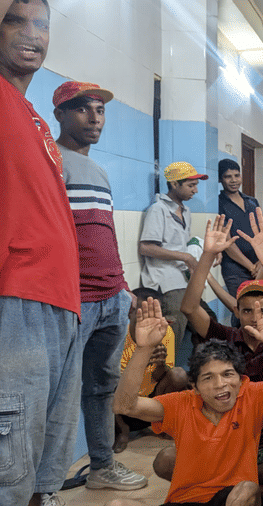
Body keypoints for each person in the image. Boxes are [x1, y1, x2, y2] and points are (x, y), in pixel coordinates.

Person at [0, 2, 83, 505]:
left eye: (43, 25)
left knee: (43, 473)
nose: (32, 34)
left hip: (60, 305)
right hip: (17, 299)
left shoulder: (29, 113)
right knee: (9, 470)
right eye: (15, 20)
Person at [165, 214, 263, 504]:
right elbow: (190, 308)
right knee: (165, 460)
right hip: (224, 439)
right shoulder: (225, 337)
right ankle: (236, 484)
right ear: (237, 313)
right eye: (247, 311)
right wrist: (207, 255)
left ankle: (231, 483)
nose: (257, 317)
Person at [52, 80, 149, 492]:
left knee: (101, 388)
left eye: (101, 110)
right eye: (83, 109)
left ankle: (102, 467)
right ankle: (44, 487)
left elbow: (104, 236)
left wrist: (123, 288)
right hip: (73, 299)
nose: (94, 118)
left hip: (111, 298)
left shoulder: (101, 171)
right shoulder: (50, 161)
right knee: (57, 395)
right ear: (59, 114)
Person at [108, 297, 263, 506]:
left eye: (228, 374)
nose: (221, 384)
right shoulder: (182, 403)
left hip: (229, 499)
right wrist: (143, 348)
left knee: (247, 489)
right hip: (184, 501)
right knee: (117, 504)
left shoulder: (252, 396)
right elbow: (124, 406)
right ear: (195, 386)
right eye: (208, 377)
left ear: (241, 379)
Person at [139, 161, 208, 355]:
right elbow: (146, 247)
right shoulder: (158, 209)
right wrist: (185, 257)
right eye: (190, 185)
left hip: (183, 279)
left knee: (208, 325)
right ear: (174, 184)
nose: (195, 190)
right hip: (166, 282)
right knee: (172, 336)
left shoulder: (186, 211)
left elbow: (183, 245)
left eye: (196, 185)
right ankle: (166, 378)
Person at [115, 287, 189, 452]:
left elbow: (162, 376)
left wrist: (160, 362)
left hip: (153, 396)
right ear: (131, 313)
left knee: (178, 375)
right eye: (144, 312)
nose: (150, 319)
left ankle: (166, 423)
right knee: (105, 385)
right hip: (126, 401)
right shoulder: (120, 337)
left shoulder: (165, 332)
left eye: (155, 313)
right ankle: (122, 430)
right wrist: (141, 357)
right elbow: (120, 384)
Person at [218, 158, 261, 296]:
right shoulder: (219, 203)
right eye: (228, 177)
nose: (233, 180)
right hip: (235, 269)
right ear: (220, 179)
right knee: (242, 309)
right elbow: (227, 242)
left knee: (262, 305)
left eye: (237, 175)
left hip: (259, 264)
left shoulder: (252, 201)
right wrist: (251, 267)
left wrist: (261, 261)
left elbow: (262, 231)